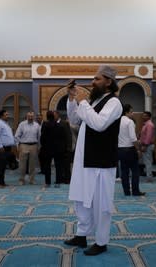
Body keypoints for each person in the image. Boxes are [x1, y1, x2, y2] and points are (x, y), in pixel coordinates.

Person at [63, 65, 122, 256]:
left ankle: (101, 241)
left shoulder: (114, 103)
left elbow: (99, 124)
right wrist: (72, 98)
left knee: (101, 204)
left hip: (101, 162)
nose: (92, 82)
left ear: (108, 82)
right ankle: (82, 235)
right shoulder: (94, 101)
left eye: (97, 79)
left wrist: (84, 103)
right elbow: (74, 119)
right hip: (84, 160)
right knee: (81, 199)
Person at [118, 104, 145, 196]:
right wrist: (138, 150)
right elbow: (133, 139)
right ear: (126, 112)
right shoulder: (129, 122)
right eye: (131, 112)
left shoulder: (117, 121)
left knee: (124, 172)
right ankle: (135, 191)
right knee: (135, 171)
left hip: (120, 150)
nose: (133, 114)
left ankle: (126, 191)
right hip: (129, 150)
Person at [0, 109, 17, 188]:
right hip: (0, 147)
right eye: (6, 115)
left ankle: (2, 182)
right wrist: (0, 146)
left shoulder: (5, 124)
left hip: (6, 147)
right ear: (1, 116)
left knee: (3, 166)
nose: (7, 116)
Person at [40, 110, 65, 188]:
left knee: (47, 166)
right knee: (58, 166)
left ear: (47, 116)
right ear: (53, 116)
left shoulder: (45, 125)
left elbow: (42, 137)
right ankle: (58, 182)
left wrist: (43, 146)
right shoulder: (59, 126)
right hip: (58, 149)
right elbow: (62, 138)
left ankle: (48, 183)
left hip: (47, 149)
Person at [15, 111, 40, 185]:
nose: (30, 118)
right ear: (26, 116)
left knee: (32, 164)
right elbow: (17, 136)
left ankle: (31, 179)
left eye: (32, 116)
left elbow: (39, 136)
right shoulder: (22, 124)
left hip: (34, 145)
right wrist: (18, 145)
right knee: (22, 164)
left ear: (33, 117)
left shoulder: (37, 125)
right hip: (24, 145)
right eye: (29, 116)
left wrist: (38, 146)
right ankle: (21, 179)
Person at [54, 110, 72, 184]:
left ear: (58, 115)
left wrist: (69, 147)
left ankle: (67, 179)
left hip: (64, 149)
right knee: (58, 165)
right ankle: (59, 179)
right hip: (56, 149)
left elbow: (68, 136)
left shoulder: (64, 123)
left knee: (66, 165)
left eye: (54, 115)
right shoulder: (52, 123)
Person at [139, 111, 156, 181]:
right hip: (146, 145)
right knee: (146, 161)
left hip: (148, 145)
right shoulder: (145, 124)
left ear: (149, 117)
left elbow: (148, 137)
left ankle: (149, 177)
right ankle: (148, 175)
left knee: (148, 162)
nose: (143, 117)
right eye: (143, 115)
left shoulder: (149, 125)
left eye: (145, 116)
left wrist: (145, 145)